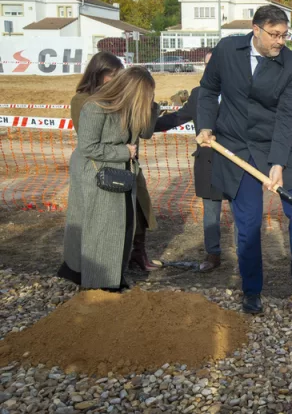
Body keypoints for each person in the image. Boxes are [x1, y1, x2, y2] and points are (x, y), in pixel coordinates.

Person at [195, 5, 292, 314]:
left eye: (284, 35)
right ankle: (252, 291)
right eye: (274, 34)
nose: (280, 41)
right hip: (237, 148)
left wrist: (277, 163)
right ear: (256, 29)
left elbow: (287, 115)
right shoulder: (227, 49)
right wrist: (206, 125)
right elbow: (208, 90)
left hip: (278, 144)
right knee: (248, 224)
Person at [58, 66, 158, 291]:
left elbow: (147, 132)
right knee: (102, 229)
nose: (146, 99)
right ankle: (101, 282)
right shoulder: (95, 107)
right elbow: (88, 147)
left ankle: (113, 276)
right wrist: (124, 152)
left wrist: (153, 104)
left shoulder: (130, 109)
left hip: (121, 176)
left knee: (124, 227)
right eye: (145, 94)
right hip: (97, 177)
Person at [154, 52, 235, 272]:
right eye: (207, 65)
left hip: (235, 163)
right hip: (207, 163)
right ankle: (213, 255)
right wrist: (147, 124)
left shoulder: (238, 93)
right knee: (210, 211)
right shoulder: (198, 94)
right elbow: (177, 118)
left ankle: (245, 256)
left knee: (241, 210)